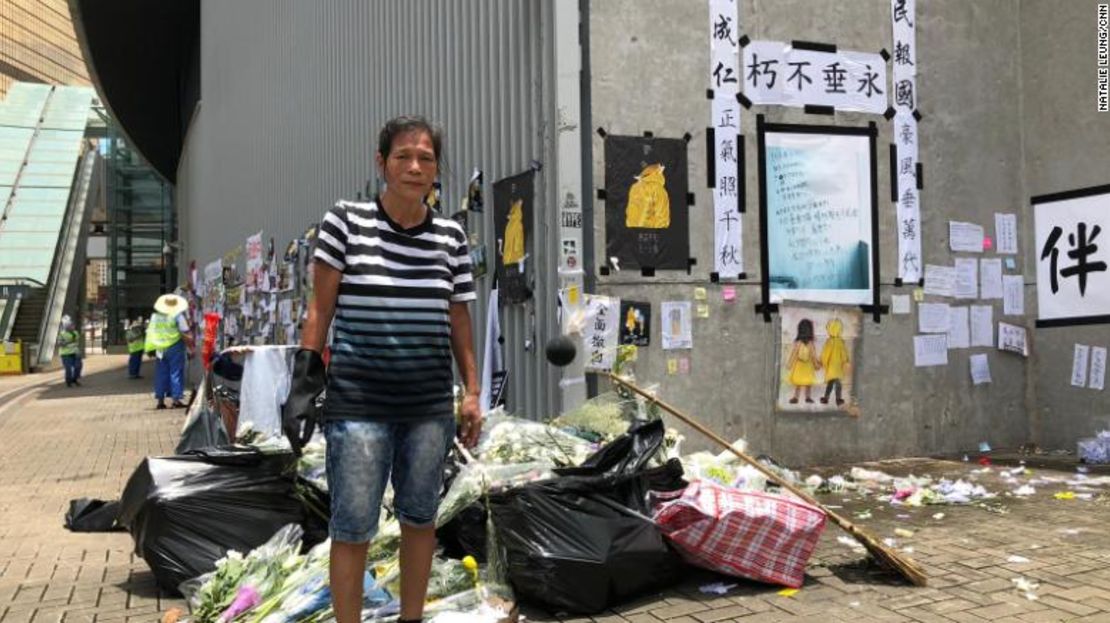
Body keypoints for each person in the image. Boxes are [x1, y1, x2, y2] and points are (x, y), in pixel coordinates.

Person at [283, 116, 480, 623]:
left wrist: (472, 391)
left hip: (428, 407)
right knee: (352, 528)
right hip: (359, 404)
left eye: (426, 158)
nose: (415, 167)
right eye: (403, 156)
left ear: (437, 169)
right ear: (382, 163)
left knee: (420, 520)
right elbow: (319, 310)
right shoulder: (346, 222)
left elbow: (459, 317)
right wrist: (304, 380)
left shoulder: (451, 238)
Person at [144, 293, 194, 409]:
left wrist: (150, 348)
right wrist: (190, 347)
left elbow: (150, 332)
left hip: (160, 348)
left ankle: (160, 401)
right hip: (175, 347)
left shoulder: (155, 316)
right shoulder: (177, 315)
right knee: (175, 372)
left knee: (161, 374)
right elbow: (185, 331)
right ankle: (176, 400)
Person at [785, 318, 820, 404]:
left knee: (804, 383)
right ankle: (798, 397)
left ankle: (805, 397)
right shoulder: (800, 343)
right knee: (799, 382)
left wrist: (816, 365)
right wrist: (816, 365)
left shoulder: (808, 343)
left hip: (804, 365)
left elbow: (813, 356)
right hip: (802, 365)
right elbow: (795, 354)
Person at [820, 317, 850, 406]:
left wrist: (823, 362)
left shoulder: (829, 342)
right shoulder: (840, 342)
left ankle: (826, 398)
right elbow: (844, 353)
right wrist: (845, 360)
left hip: (831, 367)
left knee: (830, 383)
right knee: (838, 384)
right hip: (838, 367)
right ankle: (838, 399)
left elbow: (825, 354)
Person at [57, 315, 82, 387]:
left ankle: (75, 379)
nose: (73, 326)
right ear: (66, 326)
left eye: (73, 325)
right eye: (71, 325)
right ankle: (69, 381)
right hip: (65, 354)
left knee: (78, 366)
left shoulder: (75, 333)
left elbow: (76, 342)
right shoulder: (62, 334)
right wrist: (66, 343)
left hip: (75, 352)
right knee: (68, 369)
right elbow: (60, 343)